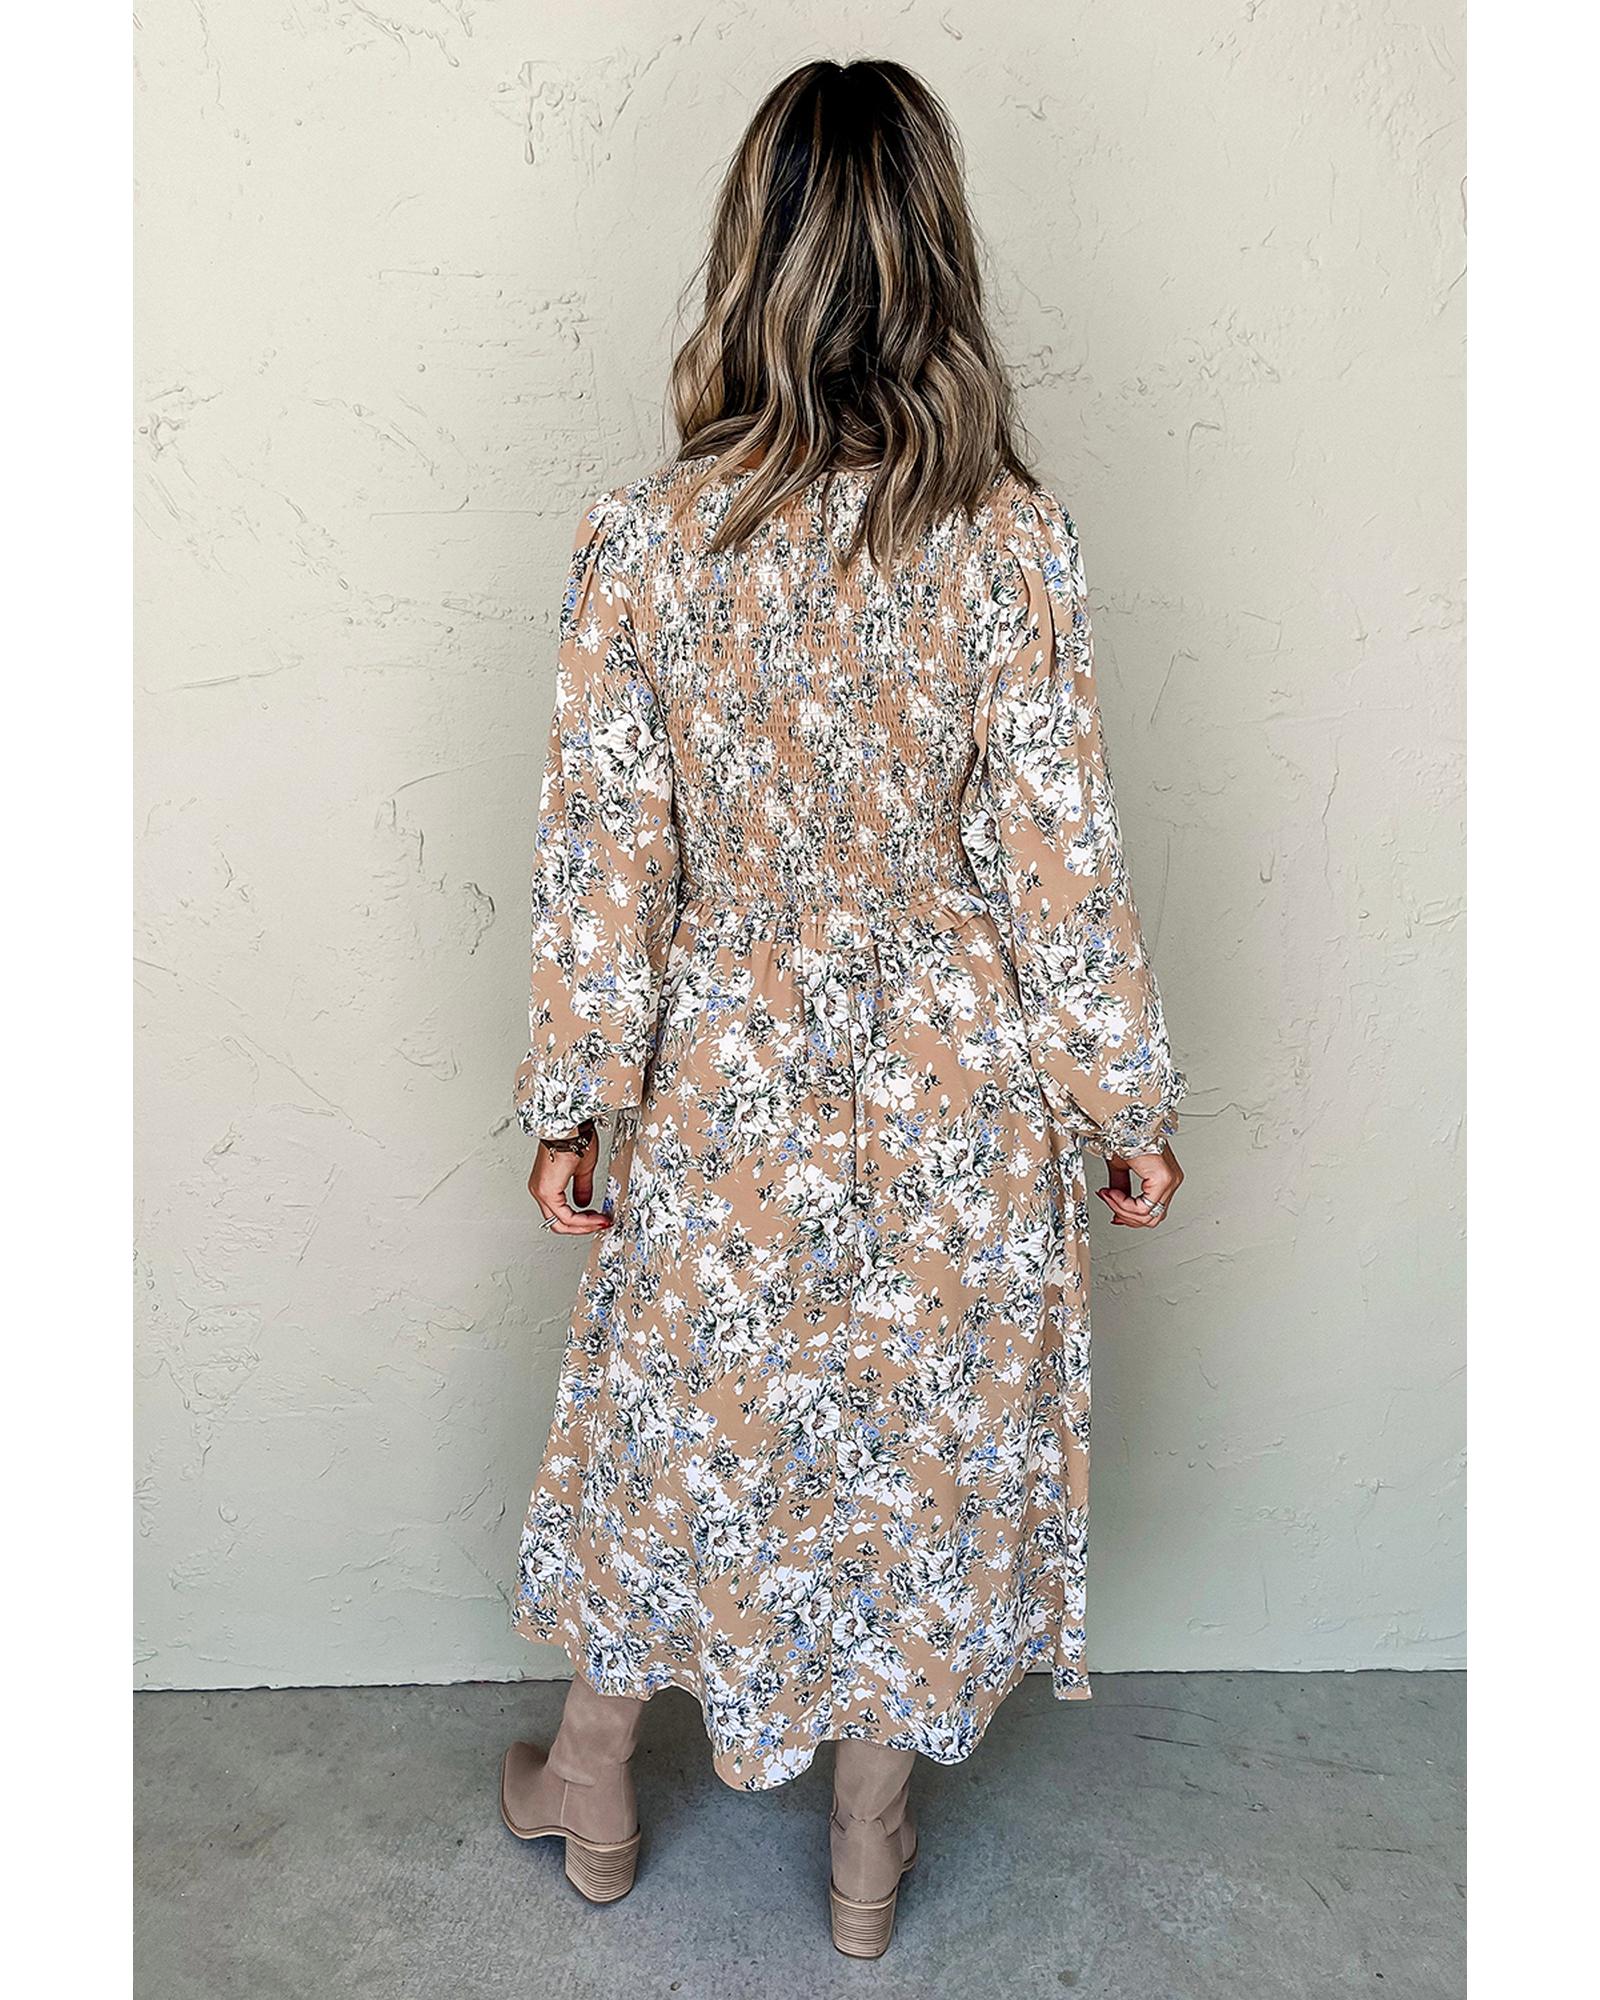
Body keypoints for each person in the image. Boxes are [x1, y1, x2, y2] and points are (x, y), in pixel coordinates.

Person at [498, 57, 1187, 1958]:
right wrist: (1123, 1107)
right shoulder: (1009, 540)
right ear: (936, 258)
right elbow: (1057, 851)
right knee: (918, 1458)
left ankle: (592, 1789)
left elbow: (606, 856)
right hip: (960, 1083)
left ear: (754, 256)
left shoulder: (652, 540)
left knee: (681, 1430)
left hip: (730, 1076)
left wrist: (575, 1101)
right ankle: (867, 1856)